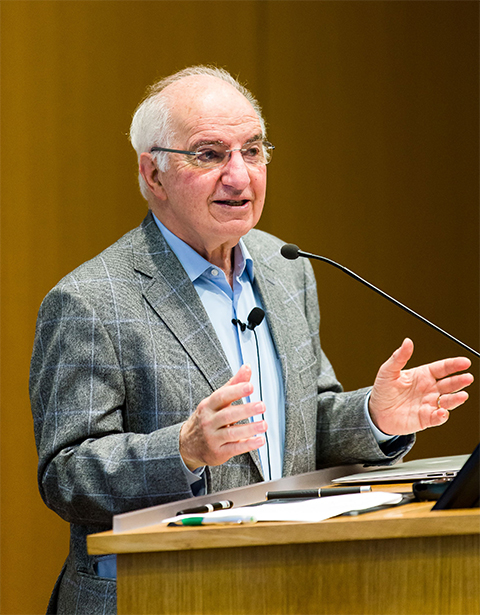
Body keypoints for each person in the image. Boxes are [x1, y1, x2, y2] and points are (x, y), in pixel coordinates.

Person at [30, 66, 473, 615]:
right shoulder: (91, 301)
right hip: (153, 594)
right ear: (153, 175)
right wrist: (184, 450)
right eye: (210, 154)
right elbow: (66, 476)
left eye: (253, 151)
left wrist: (374, 417)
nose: (240, 177)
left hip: (280, 583)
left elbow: (301, 428)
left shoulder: (285, 270)